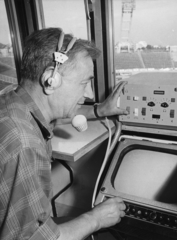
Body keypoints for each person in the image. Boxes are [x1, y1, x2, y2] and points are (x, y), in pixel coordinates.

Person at [0, 28, 128, 240]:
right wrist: (96, 219)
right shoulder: (25, 143)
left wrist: (99, 110)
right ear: (51, 79)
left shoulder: (13, 99)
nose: (89, 94)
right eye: (84, 83)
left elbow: (56, 112)